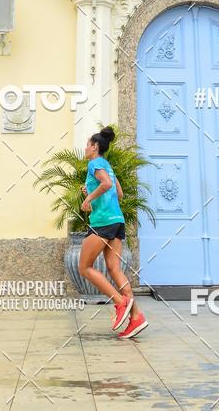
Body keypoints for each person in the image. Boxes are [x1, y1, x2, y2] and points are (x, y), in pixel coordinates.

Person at [78, 126, 148, 338]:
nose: (85, 148)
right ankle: (136, 317)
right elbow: (119, 192)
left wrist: (89, 199)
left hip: (103, 222)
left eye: (87, 145)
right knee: (114, 269)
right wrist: (90, 191)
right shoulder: (107, 165)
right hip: (117, 220)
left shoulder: (94, 163)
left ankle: (119, 302)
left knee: (85, 267)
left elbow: (107, 185)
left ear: (95, 147)